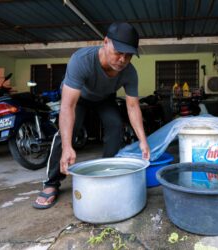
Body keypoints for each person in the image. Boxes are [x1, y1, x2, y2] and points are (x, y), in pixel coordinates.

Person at [33, 22, 150, 209]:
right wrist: (67, 147)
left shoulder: (129, 72)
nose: (122, 59)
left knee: (115, 125)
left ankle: (106, 171)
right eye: (118, 52)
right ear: (105, 42)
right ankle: (51, 183)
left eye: (128, 56)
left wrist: (143, 140)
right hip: (79, 98)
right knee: (67, 134)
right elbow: (67, 106)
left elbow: (133, 106)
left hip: (104, 98)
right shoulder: (82, 60)